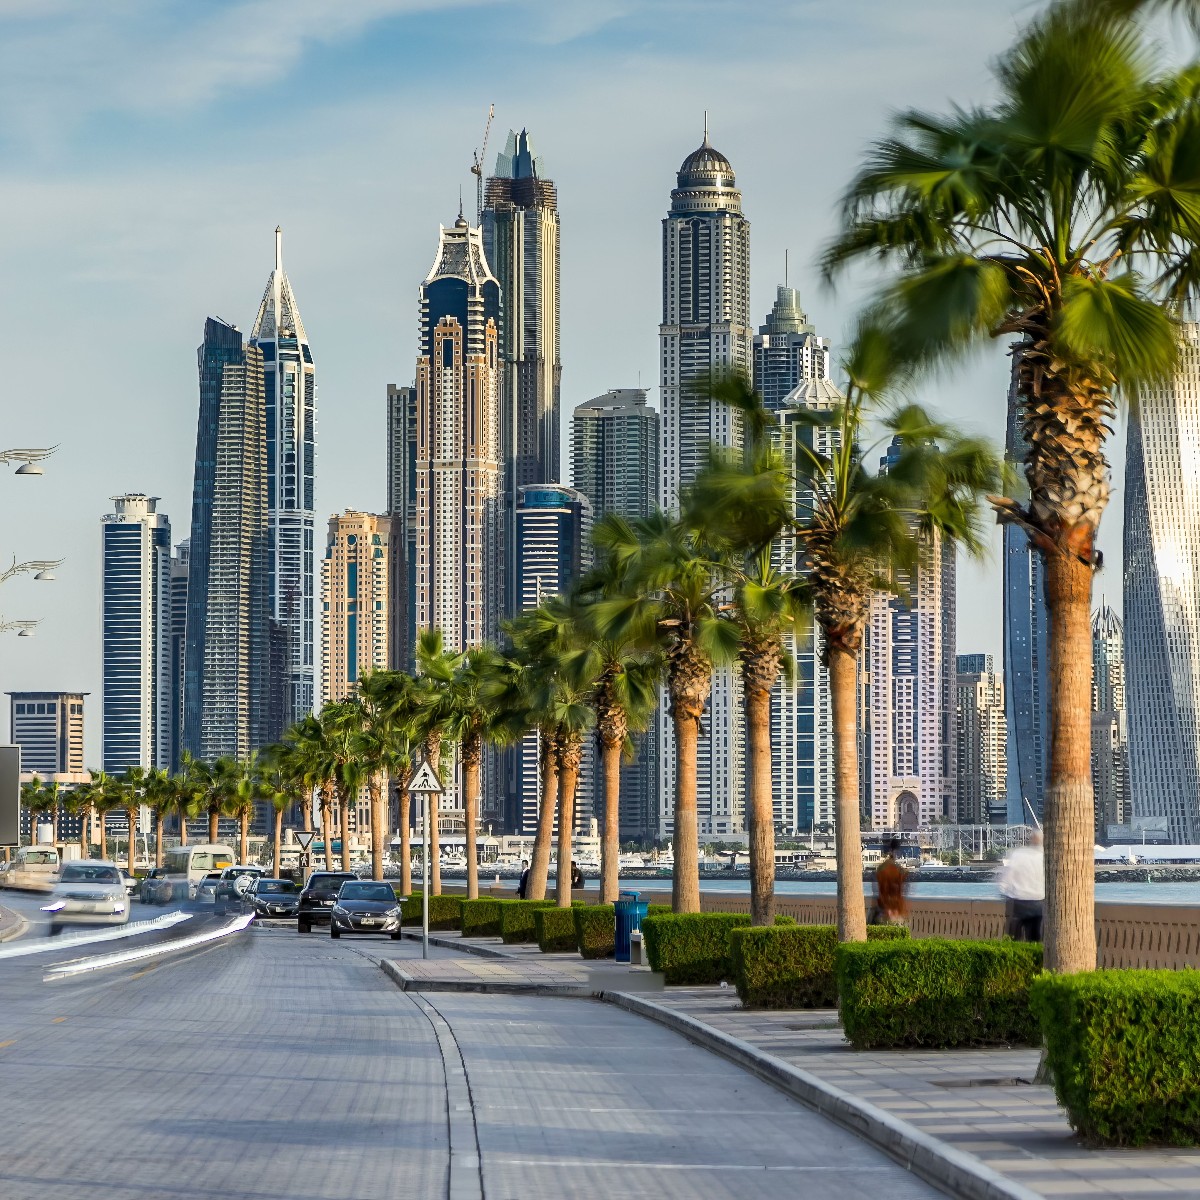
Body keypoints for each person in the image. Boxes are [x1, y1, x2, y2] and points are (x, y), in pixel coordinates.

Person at [997, 831, 1044, 941]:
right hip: (1038, 900)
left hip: (1020, 900)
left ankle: (1014, 947)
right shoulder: (1044, 856)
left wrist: (1004, 891)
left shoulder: (1019, 854)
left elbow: (1008, 876)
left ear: (1030, 840)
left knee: (1015, 932)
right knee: (1035, 934)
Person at [874, 838, 909, 925]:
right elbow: (903, 888)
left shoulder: (882, 868)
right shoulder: (899, 870)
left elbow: (878, 889)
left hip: (884, 908)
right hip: (895, 909)